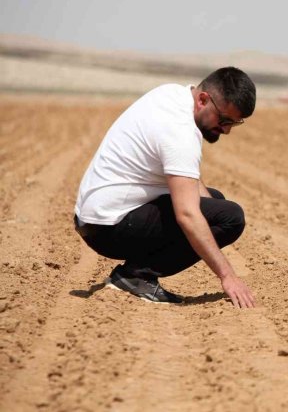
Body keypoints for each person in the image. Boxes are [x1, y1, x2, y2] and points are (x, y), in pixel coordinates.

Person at [73, 67, 257, 308]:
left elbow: (187, 178)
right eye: (224, 120)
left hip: (96, 217)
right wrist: (228, 276)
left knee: (216, 202)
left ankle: (135, 272)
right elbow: (187, 215)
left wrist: (212, 210)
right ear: (203, 100)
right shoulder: (179, 132)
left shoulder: (172, 95)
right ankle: (135, 275)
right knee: (231, 217)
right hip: (108, 228)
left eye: (235, 123)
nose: (227, 130)